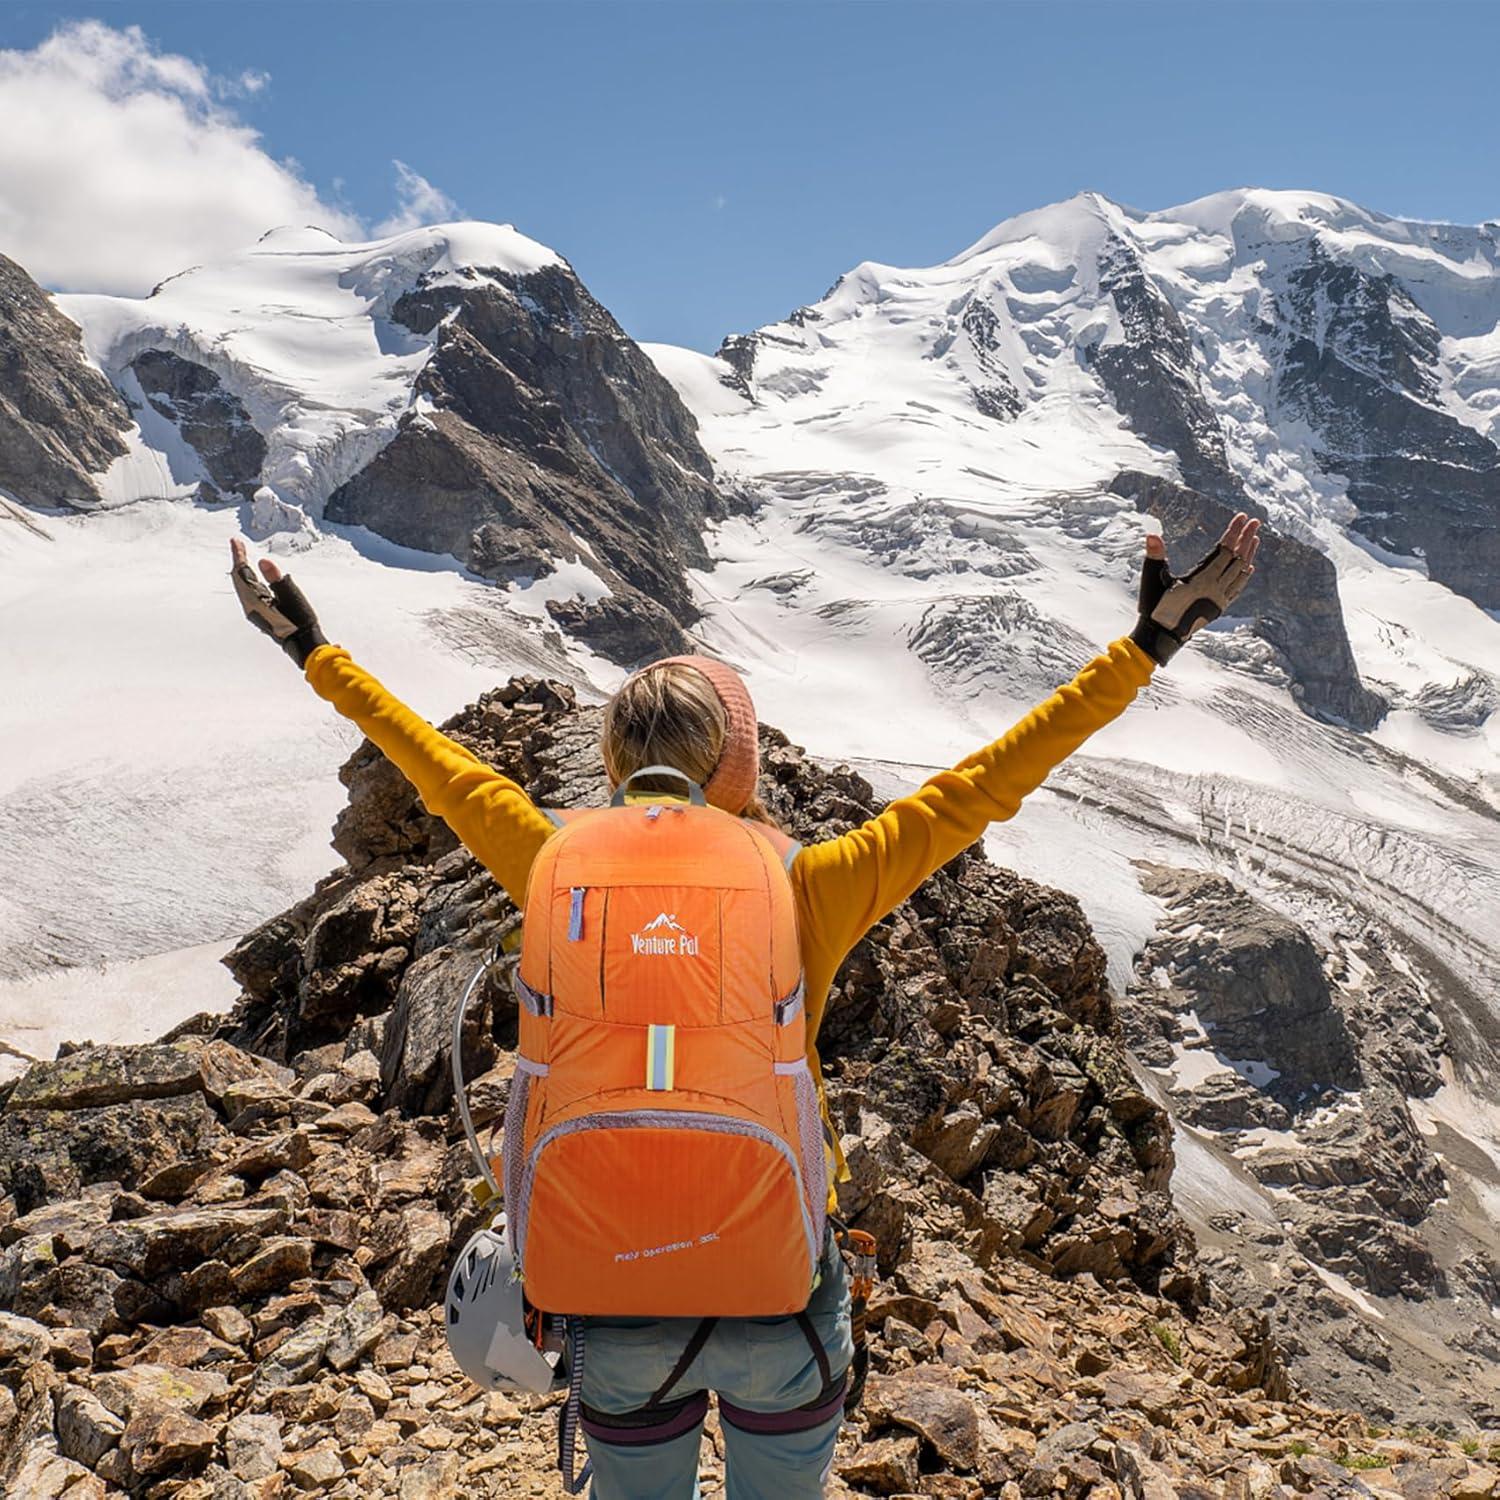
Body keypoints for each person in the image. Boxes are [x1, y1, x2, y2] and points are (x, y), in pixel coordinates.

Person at [229, 515, 1260, 1500]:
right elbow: (986, 782)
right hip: (779, 1292)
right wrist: (1147, 645)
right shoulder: (811, 882)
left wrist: (312, 649)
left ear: (617, 764)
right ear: (739, 760)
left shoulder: (552, 861)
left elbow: (434, 765)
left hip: (606, 1296)